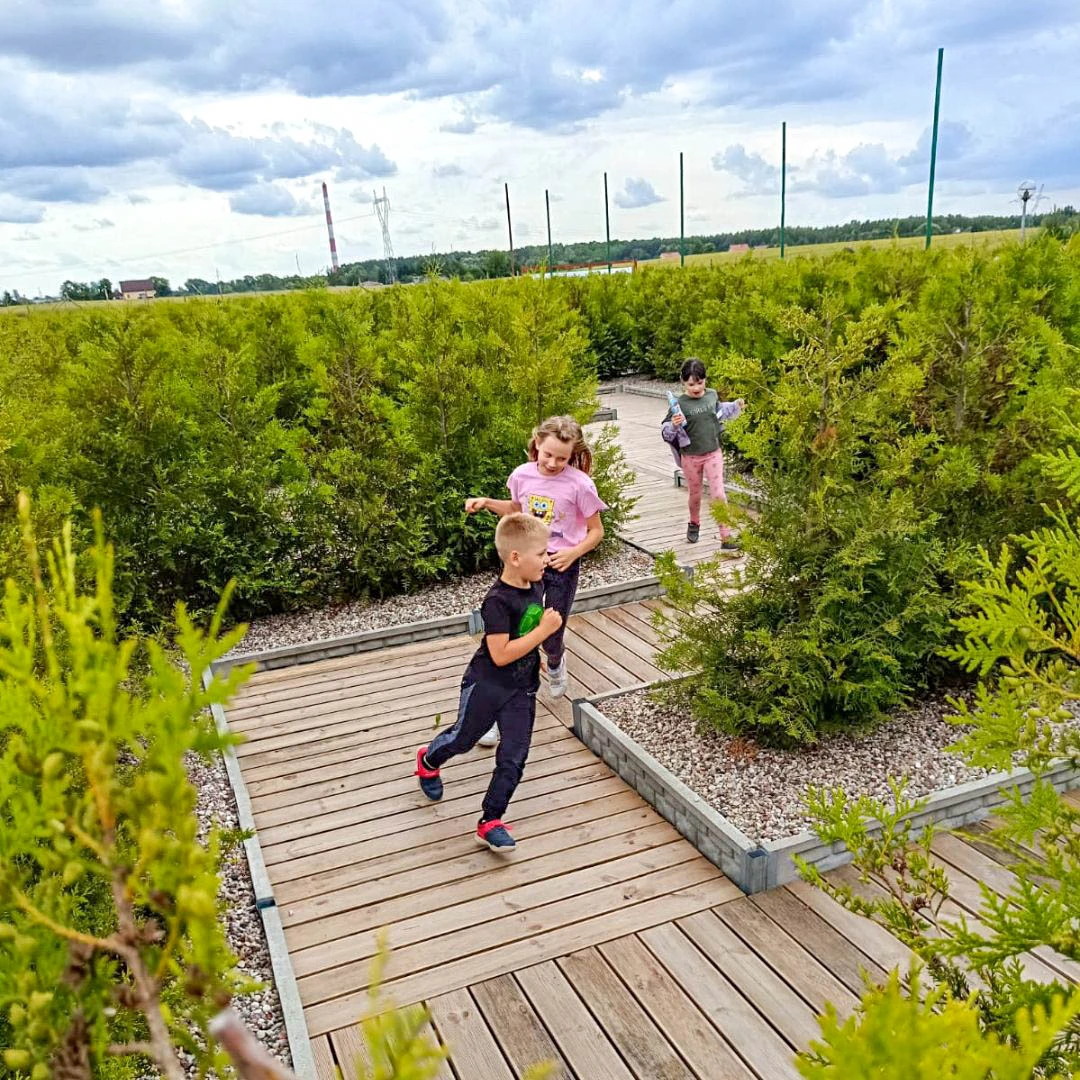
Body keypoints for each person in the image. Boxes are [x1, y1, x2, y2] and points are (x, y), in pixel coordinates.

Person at [414, 513, 563, 852]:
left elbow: (523, 633)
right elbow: (499, 654)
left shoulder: (536, 584)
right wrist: (543, 633)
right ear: (515, 557)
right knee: (464, 739)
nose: (546, 559)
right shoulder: (497, 600)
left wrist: (534, 653)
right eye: (540, 554)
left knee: (514, 755)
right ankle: (428, 760)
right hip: (487, 684)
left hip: (522, 688)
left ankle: (490, 820)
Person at [465, 416, 606, 745]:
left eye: (563, 458)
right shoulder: (521, 475)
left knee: (550, 632)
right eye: (548, 455)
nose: (554, 463)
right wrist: (486, 503)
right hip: (526, 563)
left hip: (560, 565)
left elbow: (596, 531)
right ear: (536, 445)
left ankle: (555, 660)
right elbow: (517, 510)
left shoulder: (580, 485)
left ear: (573, 455)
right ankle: (493, 714)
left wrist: (573, 553)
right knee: (511, 636)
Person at [661, 357, 745, 549]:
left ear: (706, 380)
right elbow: (666, 431)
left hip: (712, 452)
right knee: (695, 494)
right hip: (690, 456)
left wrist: (735, 406)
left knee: (718, 494)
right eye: (691, 384)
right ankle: (694, 522)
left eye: (700, 382)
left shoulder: (712, 396)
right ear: (683, 383)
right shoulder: (679, 404)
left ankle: (726, 536)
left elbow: (720, 411)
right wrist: (674, 425)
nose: (696, 388)